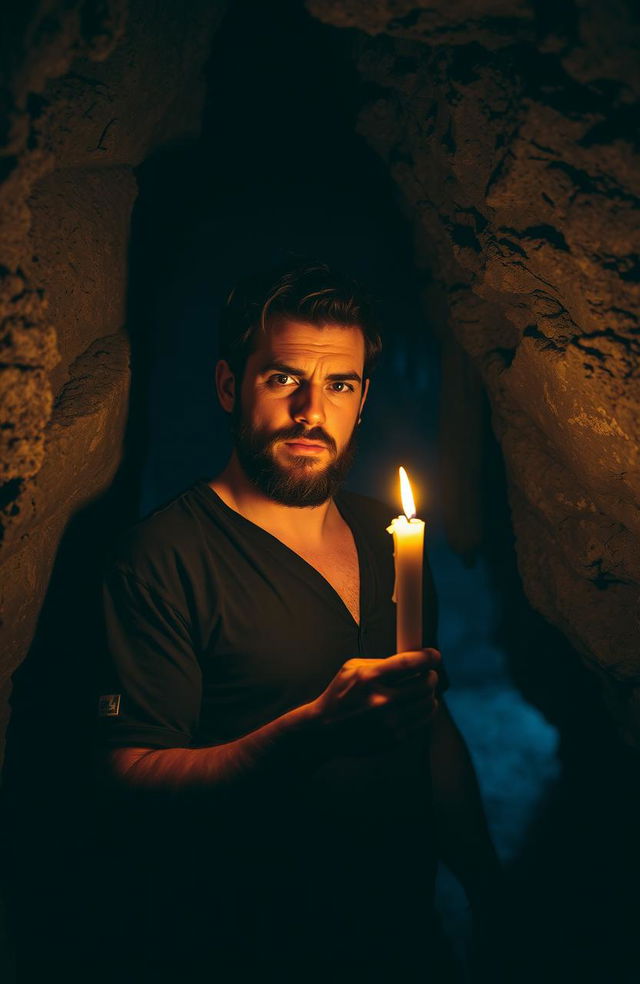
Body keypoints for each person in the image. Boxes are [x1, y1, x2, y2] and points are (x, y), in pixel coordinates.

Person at [97, 262, 501, 983]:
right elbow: (128, 777)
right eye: (284, 379)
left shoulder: (391, 539)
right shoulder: (162, 559)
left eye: (339, 385)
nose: (312, 411)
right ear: (229, 386)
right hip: (241, 948)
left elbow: (430, 725)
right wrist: (309, 732)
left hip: (401, 940)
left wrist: (491, 894)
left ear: (362, 399)